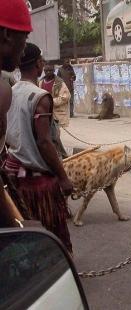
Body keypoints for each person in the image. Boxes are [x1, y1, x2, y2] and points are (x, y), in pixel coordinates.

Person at [4, 43, 73, 253]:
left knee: (25, 236)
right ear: (39, 64)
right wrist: (63, 177)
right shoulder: (40, 96)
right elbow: (44, 142)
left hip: (15, 179)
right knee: (50, 234)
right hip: (39, 184)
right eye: (43, 60)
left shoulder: (10, 91)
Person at [0, 0, 32, 227]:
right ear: (6, 34)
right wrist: (18, 231)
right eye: (25, 36)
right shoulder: (2, 90)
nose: (25, 47)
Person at [39, 62, 70, 159]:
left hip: (56, 114)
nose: (48, 72)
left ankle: (63, 156)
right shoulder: (40, 82)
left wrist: (51, 102)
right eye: (46, 71)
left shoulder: (59, 83)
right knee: (45, 137)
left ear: (54, 70)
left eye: (50, 70)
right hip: (44, 114)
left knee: (55, 137)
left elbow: (65, 97)